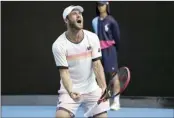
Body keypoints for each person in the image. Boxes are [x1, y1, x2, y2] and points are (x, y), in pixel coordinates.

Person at [52, 5, 110, 118]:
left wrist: (103, 87)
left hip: (92, 89)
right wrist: (70, 91)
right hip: (70, 89)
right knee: (61, 116)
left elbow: (97, 65)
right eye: (74, 13)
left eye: (80, 13)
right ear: (66, 20)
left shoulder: (92, 38)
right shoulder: (58, 45)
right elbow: (64, 72)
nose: (79, 15)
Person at [92, 1, 121, 110]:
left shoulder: (112, 21)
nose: (100, 7)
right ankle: (104, 101)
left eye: (102, 4)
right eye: (99, 5)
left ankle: (116, 102)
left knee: (113, 75)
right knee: (100, 76)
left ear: (107, 5)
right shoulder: (94, 21)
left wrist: (113, 49)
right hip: (99, 51)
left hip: (110, 50)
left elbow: (117, 38)